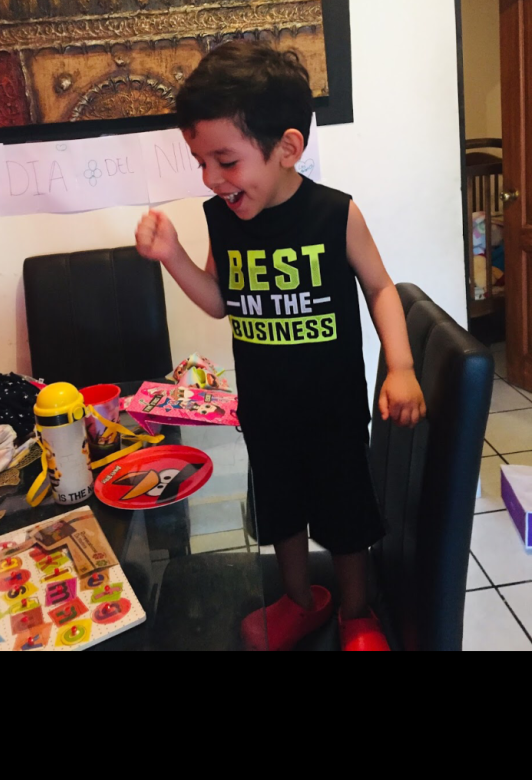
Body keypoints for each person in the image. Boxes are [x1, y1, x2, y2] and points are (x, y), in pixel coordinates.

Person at [136, 41, 426, 652]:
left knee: (346, 518)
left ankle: (355, 612)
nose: (212, 179)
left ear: (287, 148)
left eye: (226, 161)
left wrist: (399, 365)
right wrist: (172, 256)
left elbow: (380, 288)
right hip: (266, 410)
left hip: (333, 408)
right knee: (282, 516)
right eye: (201, 162)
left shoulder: (334, 214)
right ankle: (300, 601)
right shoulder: (222, 219)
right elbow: (220, 300)